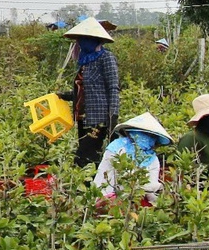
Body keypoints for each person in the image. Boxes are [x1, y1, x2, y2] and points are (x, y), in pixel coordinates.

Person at [57, 18, 121, 168]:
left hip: (98, 118)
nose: (79, 43)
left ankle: (92, 186)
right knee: (89, 158)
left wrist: (113, 116)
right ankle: (91, 186)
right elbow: (85, 91)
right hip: (83, 117)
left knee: (84, 156)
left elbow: (113, 88)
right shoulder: (85, 61)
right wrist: (64, 96)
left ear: (92, 40)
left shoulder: (106, 58)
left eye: (83, 40)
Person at [94, 112, 173, 201]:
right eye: (146, 134)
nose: (149, 138)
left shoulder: (152, 158)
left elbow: (149, 188)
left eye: (152, 136)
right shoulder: (117, 148)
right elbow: (106, 180)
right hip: (109, 196)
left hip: (134, 200)